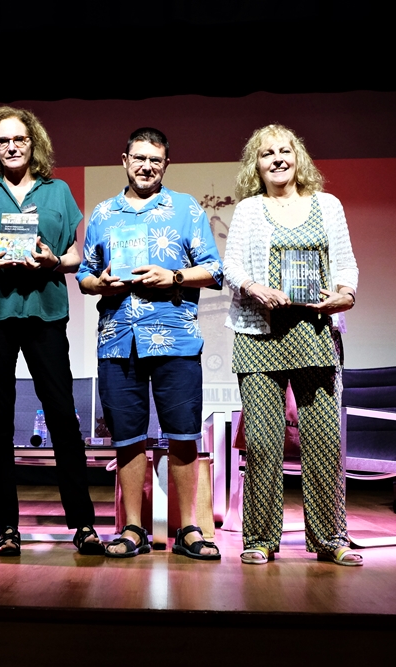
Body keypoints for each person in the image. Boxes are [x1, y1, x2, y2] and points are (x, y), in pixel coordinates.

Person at [0, 106, 102, 556]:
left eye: (19, 139)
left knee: (62, 415)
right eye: (3, 141)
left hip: (44, 311)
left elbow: (76, 255)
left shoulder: (57, 192)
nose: (12, 147)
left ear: (33, 143)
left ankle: (83, 525)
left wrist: (53, 260)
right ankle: (8, 528)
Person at [77, 127, 223, 560]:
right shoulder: (103, 213)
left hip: (175, 337)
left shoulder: (186, 209)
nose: (146, 166)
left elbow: (214, 269)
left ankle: (190, 528)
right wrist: (97, 283)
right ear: (124, 159)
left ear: (166, 164)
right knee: (127, 439)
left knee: (182, 435)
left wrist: (173, 276)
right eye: (139, 158)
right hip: (118, 339)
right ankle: (133, 529)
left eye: (155, 160)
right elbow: (85, 273)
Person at [223, 123, 362, 566]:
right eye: (268, 153)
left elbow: (345, 262)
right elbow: (231, 266)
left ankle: (330, 538)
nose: (279, 158)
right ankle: (260, 539)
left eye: (286, 151)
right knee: (263, 442)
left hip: (315, 333)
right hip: (258, 335)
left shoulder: (328, 205)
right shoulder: (248, 209)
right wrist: (254, 287)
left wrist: (346, 294)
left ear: (298, 158)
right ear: (256, 164)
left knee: (322, 441)